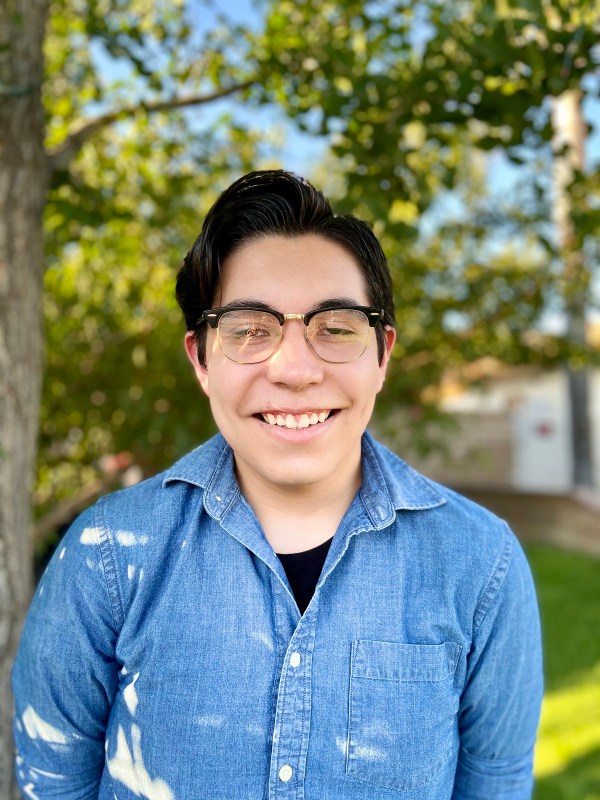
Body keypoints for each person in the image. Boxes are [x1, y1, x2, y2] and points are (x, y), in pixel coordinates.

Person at [13, 170, 543, 799]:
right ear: (201, 359)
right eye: (249, 329)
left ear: (382, 354)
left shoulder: (480, 562)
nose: (294, 369)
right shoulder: (106, 554)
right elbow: (52, 780)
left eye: (336, 328)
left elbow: (497, 784)